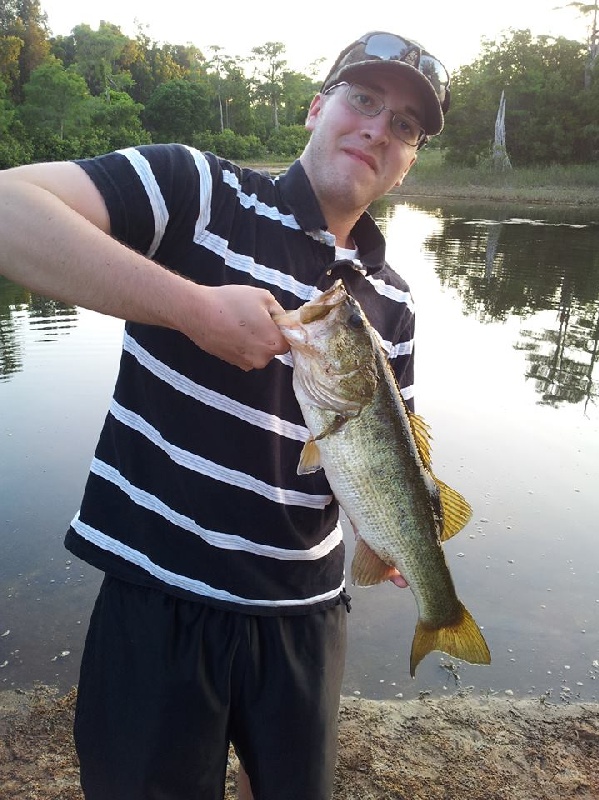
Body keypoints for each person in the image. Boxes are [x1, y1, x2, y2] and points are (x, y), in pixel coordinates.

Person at [0, 30, 450, 800]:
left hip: (307, 616)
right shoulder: (197, 190)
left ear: (410, 161)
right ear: (316, 108)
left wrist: (399, 528)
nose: (379, 128)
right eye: (363, 100)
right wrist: (190, 308)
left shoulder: (396, 299)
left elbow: (391, 444)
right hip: (159, 598)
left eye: (405, 126)